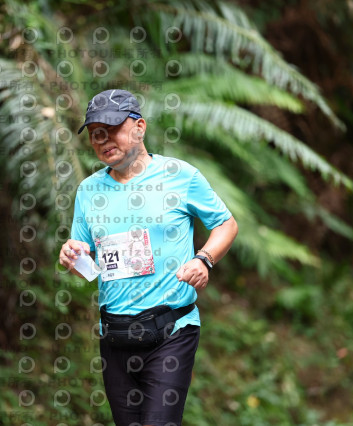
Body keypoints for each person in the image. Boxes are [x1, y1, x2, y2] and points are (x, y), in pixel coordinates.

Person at [59, 89, 238, 426]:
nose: (102, 139)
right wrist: (72, 256)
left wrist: (204, 259)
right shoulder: (88, 191)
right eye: (95, 132)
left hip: (172, 330)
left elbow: (226, 224)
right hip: (115, 335)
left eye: (112, 128)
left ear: (139, 127)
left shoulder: (180, 176)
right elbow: (86, 262)